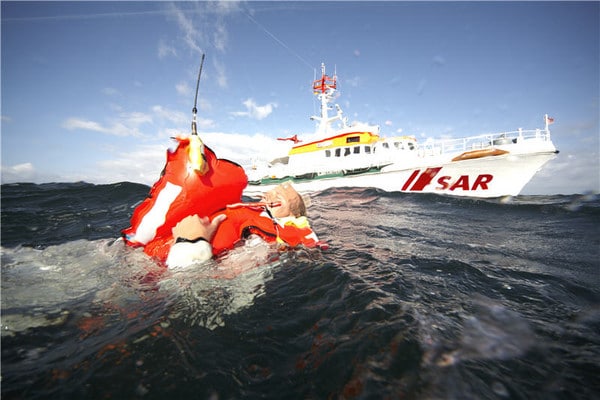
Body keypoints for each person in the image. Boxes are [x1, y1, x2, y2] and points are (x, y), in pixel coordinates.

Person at [165, 181, 321, 269]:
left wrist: (189, 242)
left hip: (195, 263)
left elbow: (313, 250)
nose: (268, 196)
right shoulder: (256, 214)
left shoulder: (294, 231)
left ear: (293, 213)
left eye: (278, 195)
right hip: (197, 256)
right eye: (269, 193)